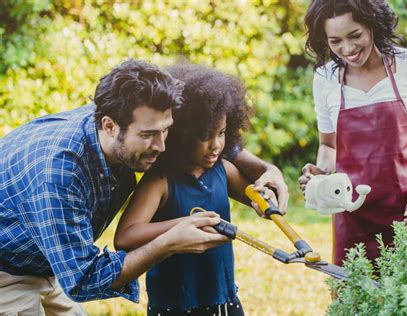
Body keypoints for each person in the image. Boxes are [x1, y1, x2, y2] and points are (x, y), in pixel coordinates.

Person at [0, 59, 288, 314]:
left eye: (166, 131)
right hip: (6, 273)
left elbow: (212, 141)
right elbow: (84, 278)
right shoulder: (59, 173)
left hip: (48, 262)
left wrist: (268, 170)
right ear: (110, 126)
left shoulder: (130, 118)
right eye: (150, 135)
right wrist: (169, 241)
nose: (163, 146)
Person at [299, 0, 407, 266]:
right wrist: (321, 173)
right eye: (335, 41)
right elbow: (329, 146)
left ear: (372, 23)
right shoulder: (324, 78)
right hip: (352, 220)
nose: (347, 49)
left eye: (355, 35)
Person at [114, 63, 276, 316]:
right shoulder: (161, 180)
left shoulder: (223, 169)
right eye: (204, 136)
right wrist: (184, 225)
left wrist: (266, 199)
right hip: (175, 305)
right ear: (179, 134)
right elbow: (125, 237)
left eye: (221, 133)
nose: (215, 145)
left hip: (224, 299)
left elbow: (257, 197)